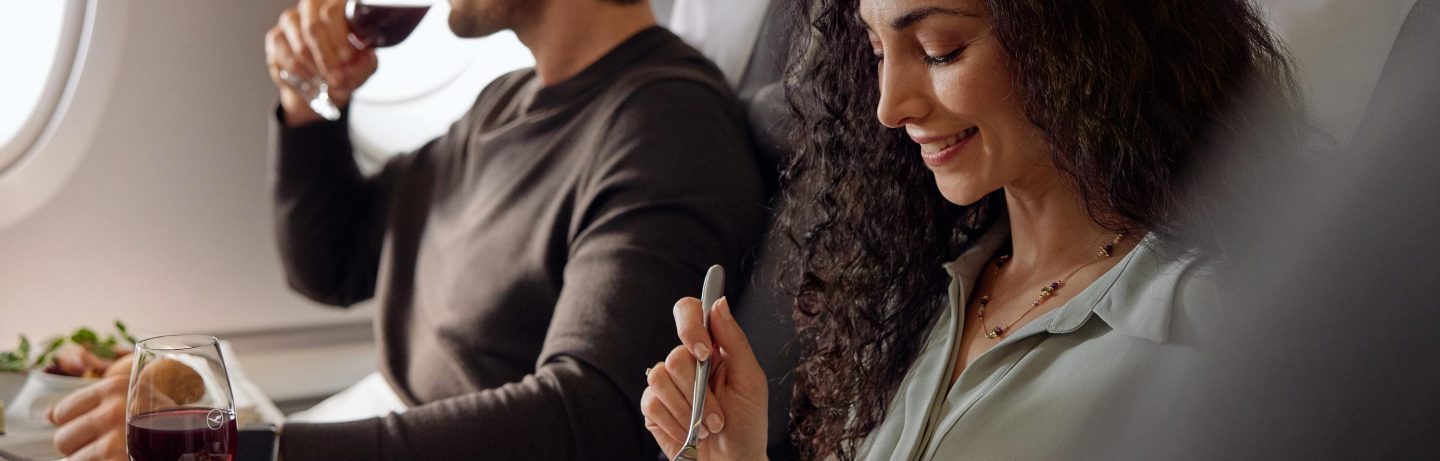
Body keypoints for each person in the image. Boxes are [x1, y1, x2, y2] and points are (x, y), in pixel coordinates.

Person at [47, 0, 766, 458]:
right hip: (383, 418)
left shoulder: (667, 124)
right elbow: (333, 266)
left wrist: (254, 449)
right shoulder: (502, 105)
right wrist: (308, 108)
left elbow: (593, 416)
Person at [640, 0, 1305, 459]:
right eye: (876, 51)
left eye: (940, 50)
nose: (889, 106)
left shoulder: (1204, 329)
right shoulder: (911, 308)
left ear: (1080, 37)